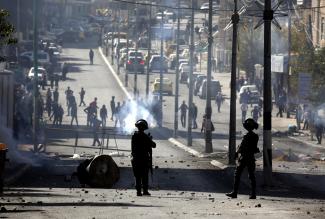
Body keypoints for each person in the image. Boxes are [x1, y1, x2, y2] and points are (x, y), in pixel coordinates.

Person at [226, 118, 259, 199]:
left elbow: (241, 146)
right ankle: (253, 194)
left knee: (237, 174)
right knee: (251, 175)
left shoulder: (247, 136)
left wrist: (236, 153)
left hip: (244, 157)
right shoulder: (255, 136)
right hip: (250, 157)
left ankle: (235, 193)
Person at [131, 119, 156, 196]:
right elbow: (154, 145)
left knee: (137, 175)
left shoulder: (134, 136)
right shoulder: (145, 137)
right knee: (144, 175)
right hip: (144, 159)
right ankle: (145, 190)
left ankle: (138, 191)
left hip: (135, 158)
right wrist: (150, 139)